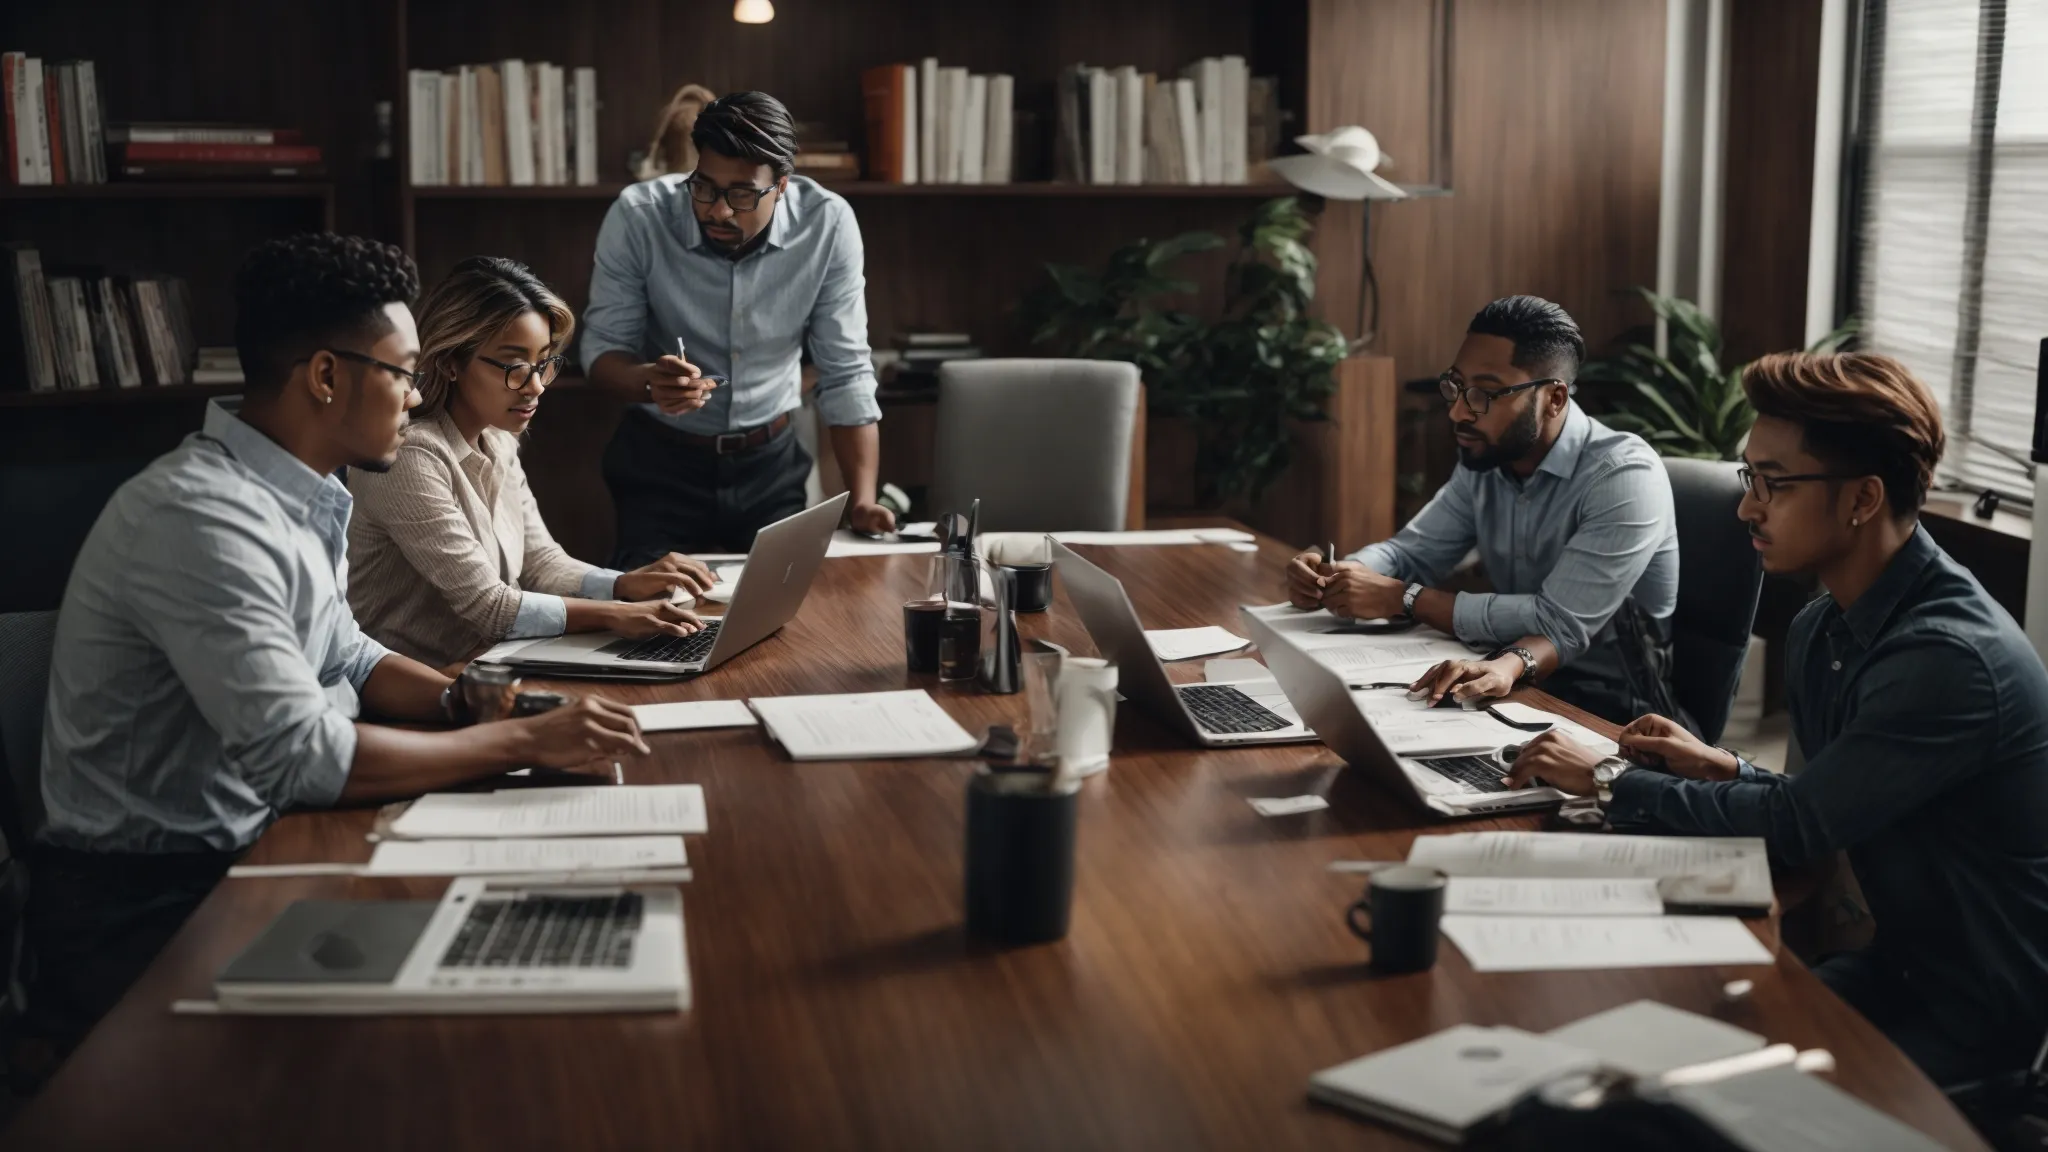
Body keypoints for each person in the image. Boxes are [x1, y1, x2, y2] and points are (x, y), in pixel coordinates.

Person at [21, 234, 652, 1066]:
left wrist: (461, 702)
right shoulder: (202, 518)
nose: (415, 393)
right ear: (326, 376)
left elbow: (350, 654)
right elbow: (303, 757)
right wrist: (520, 740)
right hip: (149, 905)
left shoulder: (301, 491)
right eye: (403, 372)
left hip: (257, 846)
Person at [1504, 352, 2048, 1086]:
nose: (1746, 508)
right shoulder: (1826, 626)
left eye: (1775, 484)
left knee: (1679, 1100)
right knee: (1632, 1054)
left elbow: (1799, 828)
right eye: (1748, 477)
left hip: (1974, 1017)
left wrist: (1605, 777)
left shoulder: (1949, 659)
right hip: (1892, 971)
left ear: (1862, 499)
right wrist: (1724, 765)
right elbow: (1822, 803)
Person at [1284, 296, 1681, 725]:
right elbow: (1409, 554)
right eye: (1455, 386)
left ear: (1554, 398)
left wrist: (1406, 598)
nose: (1458, 411)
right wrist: (1341, 574)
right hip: (1507, 675)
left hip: (1616, 704)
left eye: (1484, 394)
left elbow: (1558, 622)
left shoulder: (1623, 476)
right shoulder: (1489, 458)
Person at [347, 256, 716, 669]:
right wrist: (619, 613)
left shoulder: (499, 437)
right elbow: (490, 607)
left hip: (494, 666)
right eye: (516, 366)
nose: (536, 386)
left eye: (543, 363)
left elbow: (542, 564)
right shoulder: (409, 455)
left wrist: (625, 584)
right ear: (451, 362)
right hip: (420, 691)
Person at [581, 89, 896, 564]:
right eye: (704, 187)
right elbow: (602, 353)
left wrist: (864, 499)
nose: (718, 210)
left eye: (743, 194)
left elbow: (846, 371)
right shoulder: (639, 216)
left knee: (782, 619)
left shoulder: (828, 224)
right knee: (649, 620)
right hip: (660, 463)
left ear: (784, 184)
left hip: (770, 464)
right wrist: (651, 383)